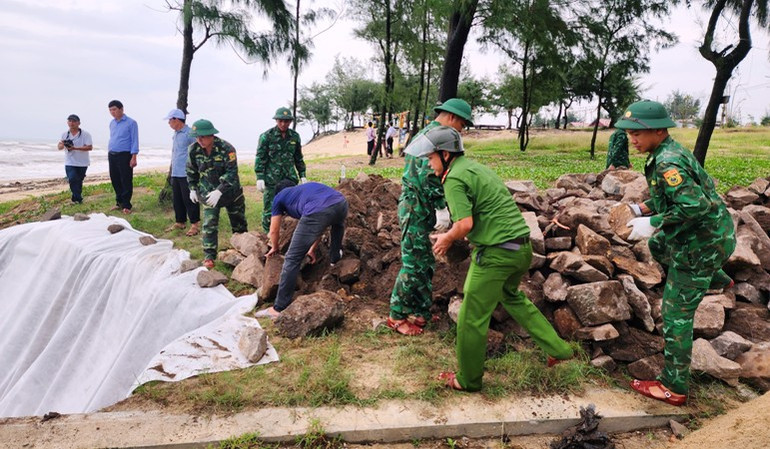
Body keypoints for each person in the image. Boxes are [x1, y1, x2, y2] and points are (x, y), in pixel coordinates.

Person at [419, 126, 574, 392]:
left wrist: (446, 238)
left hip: (497, 254)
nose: (429, 164)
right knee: (511, 296)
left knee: (471, 317)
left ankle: (468, 379)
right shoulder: (476, 168)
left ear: (445, 154)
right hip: (521, 248)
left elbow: (464, 224)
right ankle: (559, 350)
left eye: (431, 158)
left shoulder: (453, 178)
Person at [616, 100, 736, 406]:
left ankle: (673, 386)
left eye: (637, 133)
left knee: (674, 316)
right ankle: (716, 276)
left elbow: (694, 206)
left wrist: (653, 222)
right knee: (658, 245)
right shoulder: (666, 152)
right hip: (711, 236)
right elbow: (675, 197)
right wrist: (641, 208)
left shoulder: (668, 162)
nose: (632, 139)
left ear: (659, 130)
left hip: (700, 246)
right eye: (629, 133)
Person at [386, 98, 472, 336]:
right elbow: (429, 177)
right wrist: (441, 207)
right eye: (462, 124)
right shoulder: (433, 137)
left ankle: (419, 310)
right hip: (417, 208)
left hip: (423, 208)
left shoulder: (431, 134)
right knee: (414, 264)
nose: (461, 130)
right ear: (452, 117)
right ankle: (396, 315)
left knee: (425, 262)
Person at [256, 180, 348, 318]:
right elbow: (319, 225)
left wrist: (275, 247)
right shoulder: (304, 190)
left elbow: (274, 230)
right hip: (341, 203)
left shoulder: (279, 197)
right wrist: (311, 249)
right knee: (337, 225)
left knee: (292, 259)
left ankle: (279, 308)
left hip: (318, 210)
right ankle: (335, 259)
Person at [186, 119, 248, 269]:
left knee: (238, 222)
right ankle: (209, 256)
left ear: (211, 135)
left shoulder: (227, 149)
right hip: (208, 192)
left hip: (231, 192)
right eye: (197, 137)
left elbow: (232, 172)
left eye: (202, 137)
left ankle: (243, 252)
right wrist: (192, 188)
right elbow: (191, 170)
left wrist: (220, 190)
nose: (199, 140)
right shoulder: (193, 150)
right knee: (209, 224)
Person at [255, 107, 307, 233]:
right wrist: (260, 177)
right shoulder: (266, 136)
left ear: (290, 121)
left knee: (291, 207)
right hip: (272, 179)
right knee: (270, 209)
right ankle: (268, 235)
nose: (283, 124)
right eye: (280, 121)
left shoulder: (294, 137)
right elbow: (261, 158)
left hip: (289, 179)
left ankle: (287, 234)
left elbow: (298, 158)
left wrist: (302, 175)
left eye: (286, 121)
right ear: (276, 120)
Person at [165, 108, 200, 236]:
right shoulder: (176, 134)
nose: (169, 123)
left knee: (189, 199)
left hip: (186, 172)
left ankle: (195, 224)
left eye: (170, 120)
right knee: (177, 199)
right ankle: (180, 221)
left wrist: (195, 169)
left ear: (176, 120)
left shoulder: (189, 133)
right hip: (176, 172)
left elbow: (197, 150)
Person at [107, 100, 139, 214]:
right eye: (110, 110)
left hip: (125, 155)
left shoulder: (131, 123)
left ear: (121, 109)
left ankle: (126, 205)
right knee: (115, 179)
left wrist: (134, 157)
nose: (112, 112)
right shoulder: (112, 123)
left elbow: (134, 140)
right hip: (112, 154)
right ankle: (119, 202)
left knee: (125, 180)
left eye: (114, 109)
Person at [57, 114, 93, 204]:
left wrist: (75, 148)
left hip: (83, 162)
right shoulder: (65, 134)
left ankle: (75, 198)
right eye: (69, 121)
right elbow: (59, 147)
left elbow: (90, 147)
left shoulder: (85, 134)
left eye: (74, 121)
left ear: (79, 123)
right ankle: (79, 199)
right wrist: (63, 144)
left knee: (79, 181)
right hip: (69, 161)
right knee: (72, 179)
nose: (71, 123)